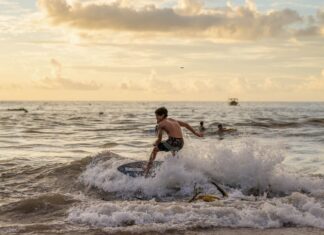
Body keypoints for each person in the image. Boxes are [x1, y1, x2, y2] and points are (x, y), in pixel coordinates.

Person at [144, 107, 203, 177]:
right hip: (181, 143)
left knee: (155, 150)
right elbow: (186, 124)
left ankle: (147, 170)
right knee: (171, 148)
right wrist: (196, 133)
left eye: (157, 116)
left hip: (173, 142)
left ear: (162, 115)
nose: (156, 118)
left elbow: (159, 139)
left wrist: (155, 143)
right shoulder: (172, 120)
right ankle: (176, 166)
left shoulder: (161, 124)